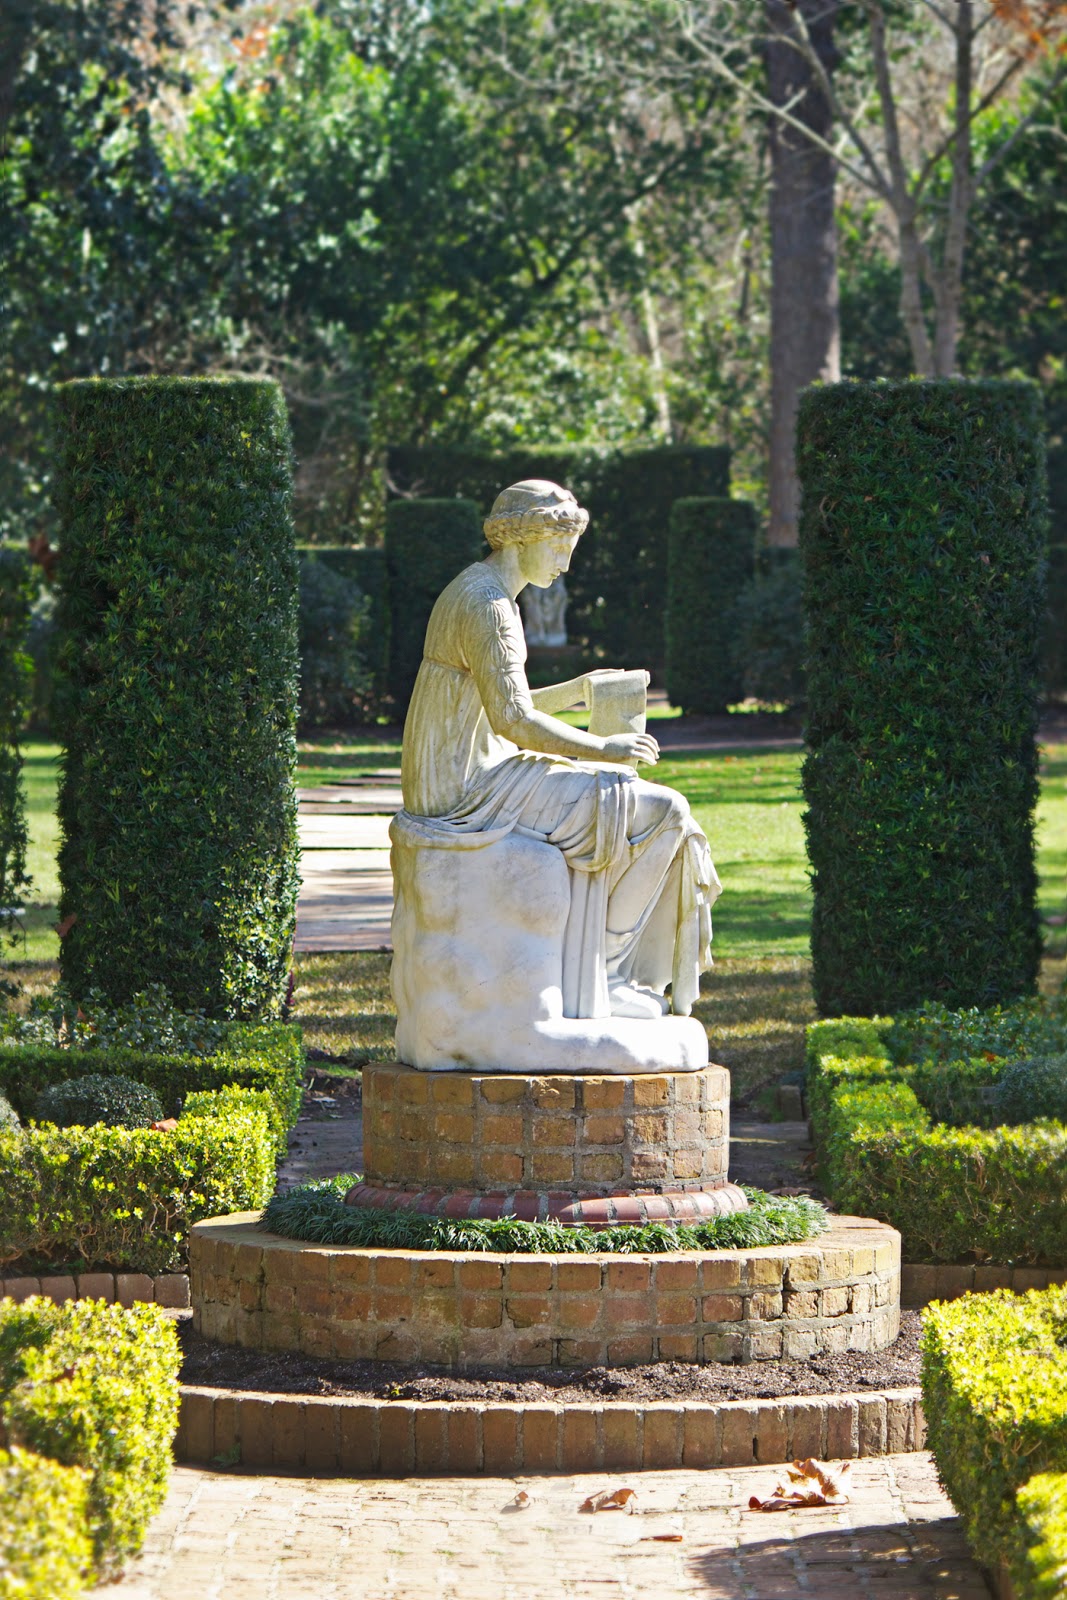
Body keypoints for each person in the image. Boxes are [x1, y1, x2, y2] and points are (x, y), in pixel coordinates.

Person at [398, 479, 721, 1020]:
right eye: (559, 548)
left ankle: (609, 969)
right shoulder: (490, 607)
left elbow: (496, 703)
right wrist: (606, 750)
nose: (566, 564)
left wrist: (577, 690)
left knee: (642, 805)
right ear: (522, 540)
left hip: (466, 770)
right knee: (665, 814)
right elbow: (514, 720)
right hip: (466, 789)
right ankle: (611, 973)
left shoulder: (476, 589)